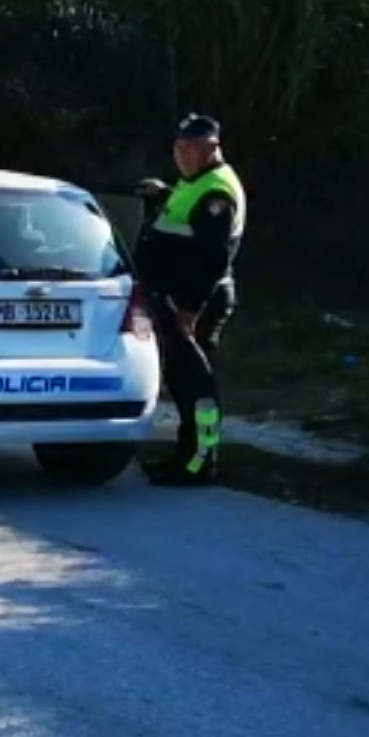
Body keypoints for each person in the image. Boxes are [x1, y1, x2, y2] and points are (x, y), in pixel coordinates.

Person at [133, 113, 245, 487]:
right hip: (179, 297)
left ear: (211, 148)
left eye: (190, 149)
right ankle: (185, 455)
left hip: (197, 300)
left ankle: (200, 461)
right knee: (183, 382)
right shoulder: (196, 182)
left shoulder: (217, 193)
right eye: (178, 147)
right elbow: (185, 222)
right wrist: (164, 194)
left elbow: (212, 258)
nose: (181, 155)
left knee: (197, 385)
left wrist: (189, 311)